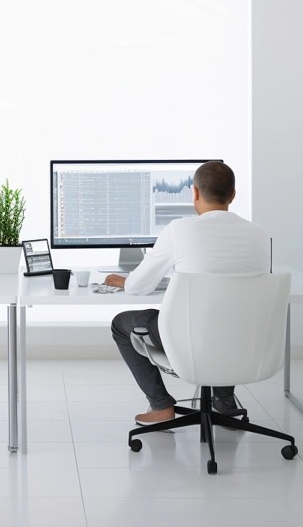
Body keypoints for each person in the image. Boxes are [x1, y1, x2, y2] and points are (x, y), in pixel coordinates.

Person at [105, 160, 271, 426]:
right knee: (227, 319)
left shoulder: (179, 230)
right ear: (233, 195)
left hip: (188, 340)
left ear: (194, 192)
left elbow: (138, 286)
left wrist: (121, 280)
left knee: (120, 324)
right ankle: (225, 403)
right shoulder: (260, 234)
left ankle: (161, 405)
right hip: (243, 339)